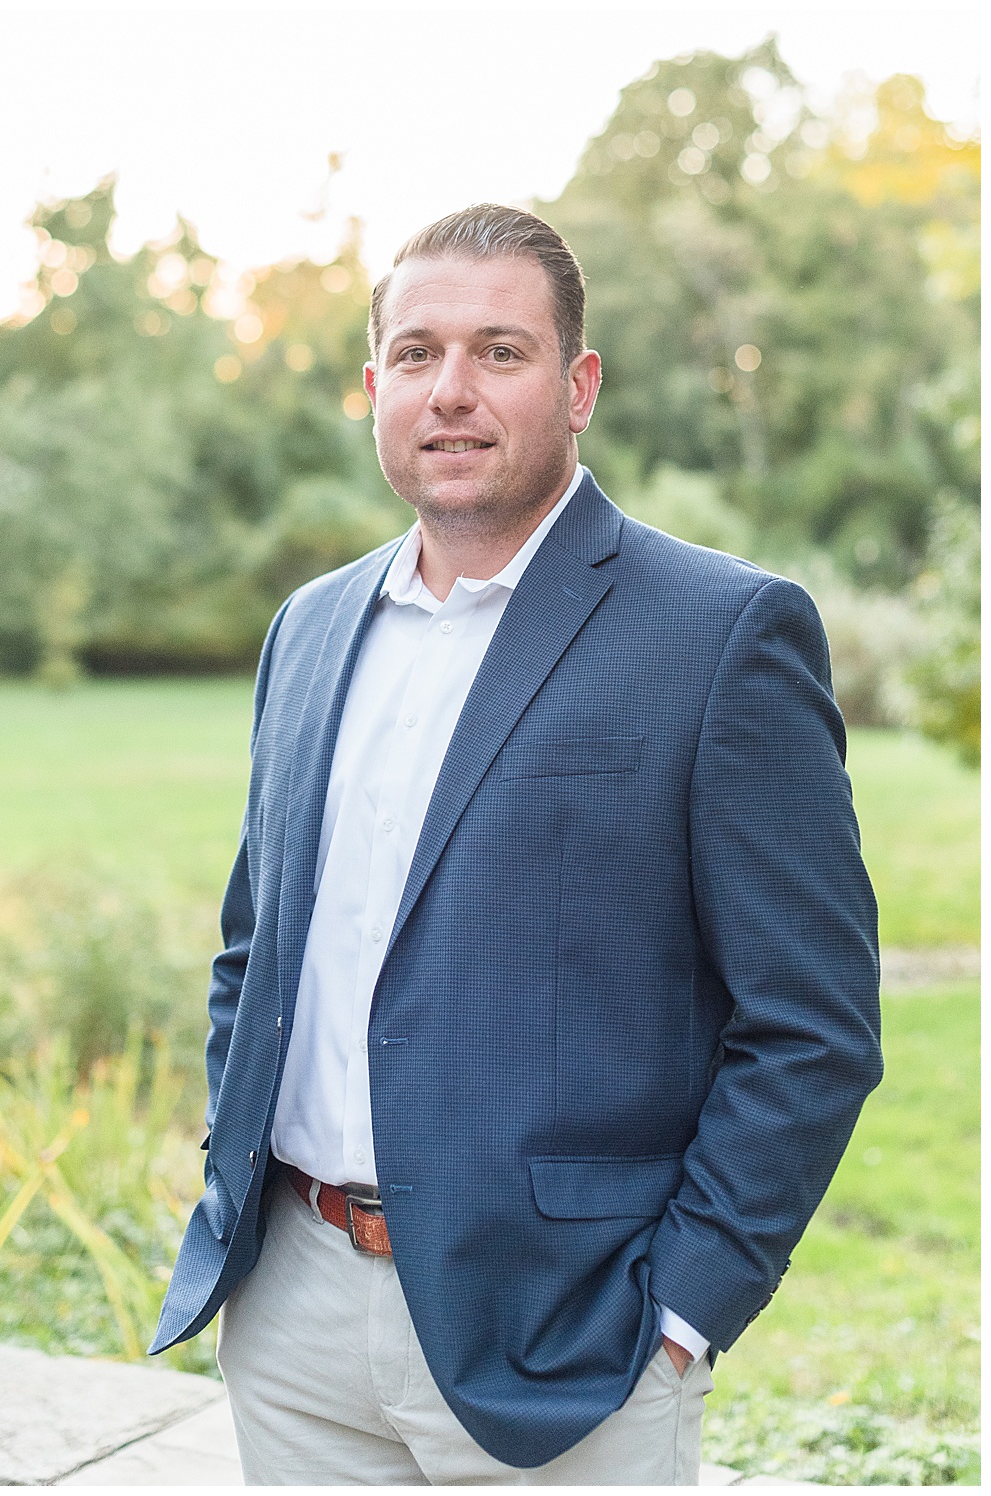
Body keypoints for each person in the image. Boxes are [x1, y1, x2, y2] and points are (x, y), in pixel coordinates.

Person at [151, 204, 882, 1484]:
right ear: (372, 385)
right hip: (294, 1319)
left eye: (499, 351)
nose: (451, 391)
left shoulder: (720, 636)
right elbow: (253, 945)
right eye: (417, 355)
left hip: (569, 1339)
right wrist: (235, 1183)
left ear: (577, 383)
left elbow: (812, 1026)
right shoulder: (309, 629)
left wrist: (679, 1313)